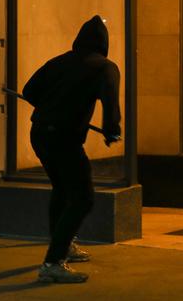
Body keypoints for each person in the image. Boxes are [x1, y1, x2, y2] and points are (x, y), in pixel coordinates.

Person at [23, 15, 121, 283]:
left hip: (40, 133)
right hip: (64, 138)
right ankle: (53, 262)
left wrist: (56, 103)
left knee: (62, 189)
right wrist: (112, 129)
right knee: (83, 198)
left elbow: (29, 91)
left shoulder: (60, 61)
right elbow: (110, 103)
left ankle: (62, 246)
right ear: (104, 43)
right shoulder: (105, 67)